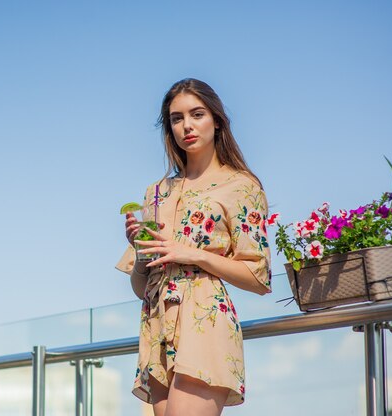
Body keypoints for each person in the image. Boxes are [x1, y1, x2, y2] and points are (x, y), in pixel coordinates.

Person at [116, 78, 272, 416]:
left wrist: (193, 254)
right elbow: (141, 286)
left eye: (197, 114)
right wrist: (143, 255)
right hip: (156, 327)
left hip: (205, 324)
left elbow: (258, 277)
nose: (186, 125)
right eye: (176, 118)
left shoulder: (241, 186)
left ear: (217, 120)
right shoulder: (156, 192)